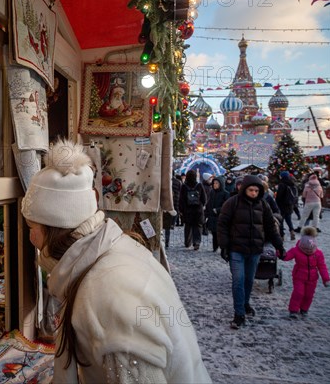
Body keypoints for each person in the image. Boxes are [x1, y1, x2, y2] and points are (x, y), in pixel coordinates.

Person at [22, 139, 211, 383]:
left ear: (53, 229)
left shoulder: (106, 294)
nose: (29, 237)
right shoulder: (111, 255)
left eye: (31, 227)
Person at [217, 175, 285, 329]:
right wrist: (224, 246)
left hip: (255, 250)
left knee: (248, 280)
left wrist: (279, 246)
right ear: (244, 189)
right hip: (236, 249)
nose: (254, 193)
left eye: (256, 190)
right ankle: (239, 313)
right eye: (251, 190)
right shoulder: (232, 203)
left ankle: (245, 303)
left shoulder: (263, 205)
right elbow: (222, 225)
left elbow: (270, 227)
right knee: (238, 280)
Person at [282, 226, 330, 319]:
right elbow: (286, 257)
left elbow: (322, 266)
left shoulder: (318, 253)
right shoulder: (296, 250)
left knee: (309, 295)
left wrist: (326, 279)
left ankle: (304, 309)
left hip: (312, 278)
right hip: (299, 276)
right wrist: (280, 253)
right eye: (306, 250)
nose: (308, 251)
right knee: (298, 293)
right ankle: (293, 310)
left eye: (310, 250)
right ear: (301, 246)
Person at [179, 170, 207, 250]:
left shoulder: (184, 186)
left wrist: (181, 210)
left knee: (188, 227)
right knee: (198, 227)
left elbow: (181, 199)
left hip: (188, 211)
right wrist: (202, 205)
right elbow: (204, 199)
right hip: (198, 210)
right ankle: (196, 242)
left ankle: (187, 242)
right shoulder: (199, 185)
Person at [206, 176, 229, 252]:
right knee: (213, 232)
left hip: (220, 216)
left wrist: (218, 210)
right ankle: (215, 246)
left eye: (216, 183)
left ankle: (222, 247)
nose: (215, 185)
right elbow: (209, 203)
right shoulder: (212, 192)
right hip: (212, 216)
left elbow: (226, 206)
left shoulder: (225, 193)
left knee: (220, 233)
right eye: (214, 183)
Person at [275, 171, 297, 240]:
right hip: (290, 205)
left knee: (281, 220)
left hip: (282, 205)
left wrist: (276, 203)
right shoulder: (292, 184)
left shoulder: (282, 184)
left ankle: (282, 235)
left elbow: (279, 196)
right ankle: (292, 231)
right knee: (288, 219)